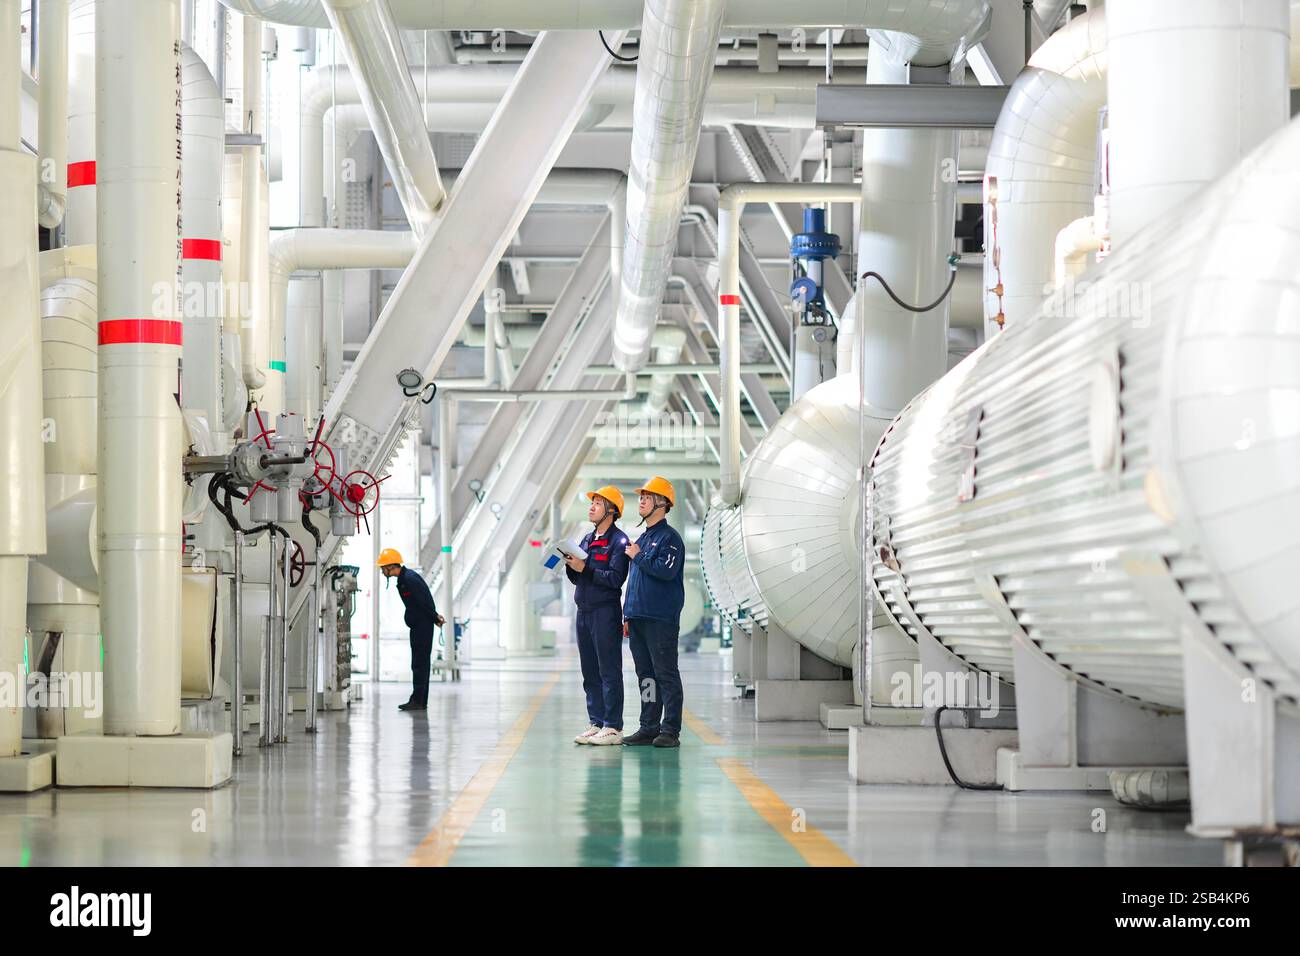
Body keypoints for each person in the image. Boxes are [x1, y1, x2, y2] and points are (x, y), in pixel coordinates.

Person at [620, 477, 686, 748]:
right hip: (639, 618)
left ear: (663, 503)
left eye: (648, 496)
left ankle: (670, 730)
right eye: (642, 496)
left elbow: (666, 571)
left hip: (660, 619)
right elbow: (634, 582)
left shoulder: (669, 539)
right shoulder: (644, 538)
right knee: (646, 676)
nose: (642, 500)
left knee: (665, 674)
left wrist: (638, 556)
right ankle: (648, 727)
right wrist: (628, 614)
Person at [564, 486, 630, 746]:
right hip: (584, 612)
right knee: (589, 670)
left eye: (599, 503)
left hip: (605, 613)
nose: (592, 507)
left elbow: (615, 579)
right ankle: (597, 721)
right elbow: (578, 576)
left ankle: (613, 726)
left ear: (612, 511)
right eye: (592, 503)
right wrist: (572, 567)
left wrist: (585, 568)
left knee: (608, 669)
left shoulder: (620, 541)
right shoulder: (587, 539)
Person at [377, 548, 444, 712]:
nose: (381, 571)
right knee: (418, 663)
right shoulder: (403, 579)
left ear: (390, 566)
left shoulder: (410, 579)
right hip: (418, 626)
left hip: (423, 627)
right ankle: (417, 699)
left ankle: (419, 701)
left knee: (420, 663)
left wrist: (435, 617)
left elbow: (424, 601)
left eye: (382, 567)